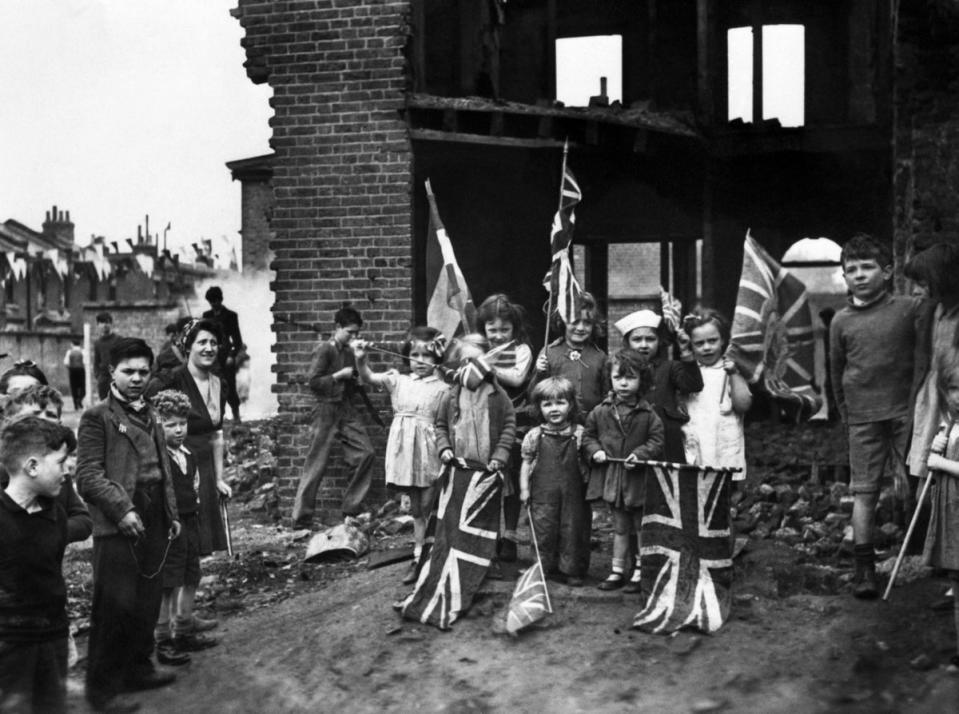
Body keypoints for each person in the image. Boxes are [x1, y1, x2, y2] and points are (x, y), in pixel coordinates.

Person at [76, 337, 181, 711]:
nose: (137, 379)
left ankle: (138, 668)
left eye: (143, 371)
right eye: (128, 372)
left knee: (147, 599)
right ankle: (102, 691)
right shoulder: (96, 417)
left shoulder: (150, 411)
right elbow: (87, 475)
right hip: (118, 522)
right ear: (111, 373)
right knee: (114, 606)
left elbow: (162, 467)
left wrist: (170, 513)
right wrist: (121, 509)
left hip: (153, 515)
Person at [829, 233, 920, 599]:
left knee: (921, 482)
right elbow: (836, 373)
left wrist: (918, 408)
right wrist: (846, 413)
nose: (859, 275)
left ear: (887, 271)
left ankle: (930, 559)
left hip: (905, 413)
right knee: (864, 493)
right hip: (863, 417)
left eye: (867, 267)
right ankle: (864, 570)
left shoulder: (909, 309)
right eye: (851, 270)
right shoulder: (840, 321)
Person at [353, 326, 449, 584]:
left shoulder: (443, 388)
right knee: (417, 508)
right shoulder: (399, 380)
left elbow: (447, 422)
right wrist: (361, 359)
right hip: (405, 453)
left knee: (430, 504)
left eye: (427, 355)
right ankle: (419, 557)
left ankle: (434, 557)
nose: (420, 361)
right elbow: (369, 378)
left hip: (430, 450)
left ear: (437, 358)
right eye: (415, 354)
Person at [531, 292, 610, 575]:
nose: (580, 328)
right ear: (562, 321)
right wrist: (539, 373)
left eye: (586, 323)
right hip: (552, 436)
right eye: (574, 321)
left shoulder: (601, 358)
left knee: (576, 506)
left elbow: (605, 399)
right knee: (548, 503)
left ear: (594, 325)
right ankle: (545, 564)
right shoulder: (549, 353)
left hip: (583, 437)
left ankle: (573, 567)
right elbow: (535, 398)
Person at [0, 417, 75, 714]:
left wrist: (64, 635)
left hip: (52, 638)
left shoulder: (55, 515)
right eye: (61, 462)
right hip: (9, 646)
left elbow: (52, 577)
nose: (68, 470)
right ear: (32, 467)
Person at [147, 319, 233, 556]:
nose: (209, 348)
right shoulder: (171, 380)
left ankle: (193, 587)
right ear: (188, 347)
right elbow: (149, 418)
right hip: (178, 469)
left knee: (200, 546)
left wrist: (218, 479)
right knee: (180, 541)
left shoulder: (219, 384)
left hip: (204, 467)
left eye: (214, 343)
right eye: (202, 342)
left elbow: (216, 434)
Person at [583, 348, 664, 592]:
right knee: (619, 527)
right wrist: (595, 450)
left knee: (640, 527)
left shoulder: (648, 414)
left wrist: (640, 454)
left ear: (642, 380)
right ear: (611, 378)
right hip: (614, 479)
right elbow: (588, 436)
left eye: (630, 378)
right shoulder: (601, 411)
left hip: (638, 480)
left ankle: (640, 571)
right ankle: (617, 571)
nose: (624, 383)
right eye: (618, 377)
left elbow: (657, 441)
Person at [292, 305, 374, 528]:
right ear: (337, 327)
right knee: (317, 461)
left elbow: (360, 379)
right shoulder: (325, 350)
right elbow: (313, 382)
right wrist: (338, 376)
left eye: (357, 333)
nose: (354, 336)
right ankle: (301, 518)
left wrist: (359, 365)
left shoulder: (350, 350)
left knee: (366, 452)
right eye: (350, 332)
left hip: (345, 407)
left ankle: (351, 509)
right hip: (326, 409)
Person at [151, 389, 217, 666]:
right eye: (170, 425)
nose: (179, 430)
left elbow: (195, 488)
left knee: (192, 573)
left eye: (182, 423)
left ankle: (184, 626)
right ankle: (163, 639)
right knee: (169, 582)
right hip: (169, 527)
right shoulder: (157, 458)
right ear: (157, 424)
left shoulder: (187, 454)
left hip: (190, 522)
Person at [477, 293, 534, 563]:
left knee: (509, 478)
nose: (498, 335)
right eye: (492, 329)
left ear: (514, 329)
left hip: (512, 421)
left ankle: (509, 535)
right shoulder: (477, 348)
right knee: (485, 480)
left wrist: (486, 369)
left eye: (504, 329)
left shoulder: (521, 350)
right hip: (481, 421)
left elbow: (517, 377)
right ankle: (486, 536)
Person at [519, 377, 587, 586]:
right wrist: (524, 489)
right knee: (543, 529)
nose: (554, 409)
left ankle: (571, 569)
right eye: (547, 404)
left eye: (560, 402)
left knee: (572, 528)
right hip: (542, 492)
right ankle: (541, 567)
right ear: (539, 407)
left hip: (573, 493)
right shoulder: (535, 435)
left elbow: (587, 463)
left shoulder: (580, 434)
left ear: (571, 405)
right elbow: (526, 462)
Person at [2, 385, 91, 543]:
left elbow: (83, 520)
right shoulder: (6, 468)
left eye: (50, 415)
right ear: (11, 421)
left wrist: (50, 533)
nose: (43, 420)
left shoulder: (57, 469)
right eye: (33, 416)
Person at [615, 309, 702, 462]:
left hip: (667, 439)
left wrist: (686, 352)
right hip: (633, 438)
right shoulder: (620, 372)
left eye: (650, 339)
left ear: (659, 341)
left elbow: (692, 385)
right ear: (627, 342)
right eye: (637, 339)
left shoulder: (669, 368)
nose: (644, 345)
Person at [905, 243, 959, 482]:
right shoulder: (931, 312)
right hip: (933, 399)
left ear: (943, 279)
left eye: (923, 283)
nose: (916, 291)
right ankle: (932, 515)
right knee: (928, 467)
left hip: (955, 398)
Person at [682, 309, 751, 479]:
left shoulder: (730, 370)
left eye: (712, 341)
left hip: (723, 442)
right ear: (691, 344)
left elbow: (743, 405)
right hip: (696, 440)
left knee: (724, 491)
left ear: (723, 341)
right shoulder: (687, 372)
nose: (707, 347)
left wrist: (734, 373)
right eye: (699, 343)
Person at [921, 359, 959, 668]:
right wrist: (936, 449)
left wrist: (942, 463)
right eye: (953, 388)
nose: (958, 395)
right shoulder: (952, 424)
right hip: (953, 513)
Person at [203, 286, 244, 422]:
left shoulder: (231, 316)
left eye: (216, 301)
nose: (214, 304)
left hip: (225, 357)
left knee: (229, 386)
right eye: (211, 302)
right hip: (211, 357)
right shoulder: (206, 316)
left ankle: (236, 415)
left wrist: (231, 356)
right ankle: (218, 417)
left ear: (220, 299)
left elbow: (237, 341)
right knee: (213, 387)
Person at [93, 312, 121, 400]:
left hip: (116, 377)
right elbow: (96, 361)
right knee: (104, 404)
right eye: (102, 322)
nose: (105, 325)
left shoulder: (118, 339)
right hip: (103, 378)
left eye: (107, 322)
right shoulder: (97, 343)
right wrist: (98, 376)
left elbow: (124, 358)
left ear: (111, 324)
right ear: (98, 325)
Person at [64, 338, 86, 410]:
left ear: (72, 344)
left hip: (72, 370)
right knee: (82, 387)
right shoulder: (83, 351)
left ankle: (75, 405)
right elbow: (85, 362)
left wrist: (70, 368)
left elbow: (66, 363)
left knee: (74, 387)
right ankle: (79, 400)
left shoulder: (69, 352)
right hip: (81, 370)